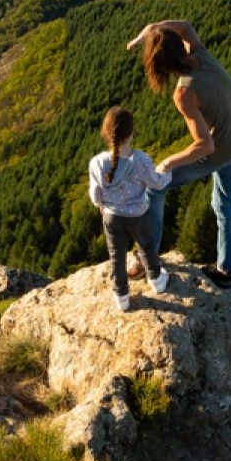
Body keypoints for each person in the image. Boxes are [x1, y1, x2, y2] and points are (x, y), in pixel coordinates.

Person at [127, 19, 231, 288]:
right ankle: (226, 272)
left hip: (219, 148)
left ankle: (146, 258)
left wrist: (168, 163)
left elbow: (205, 145)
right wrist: (152, 29)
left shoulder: (184, 92)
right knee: (224, 203)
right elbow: (184, 25)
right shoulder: (201, 56)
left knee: (155, 187)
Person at [87, 106, 172, 312]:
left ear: (106, 132)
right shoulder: (140, 160)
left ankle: (121, 296)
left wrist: (101, 206)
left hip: (111, 217)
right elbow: (157, 183)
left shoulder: (97, 162)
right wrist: (167, 171)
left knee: (117, 256)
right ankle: (157, 280)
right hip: (137, 215)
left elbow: (96, 194)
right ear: (132, 133)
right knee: (146, 247)